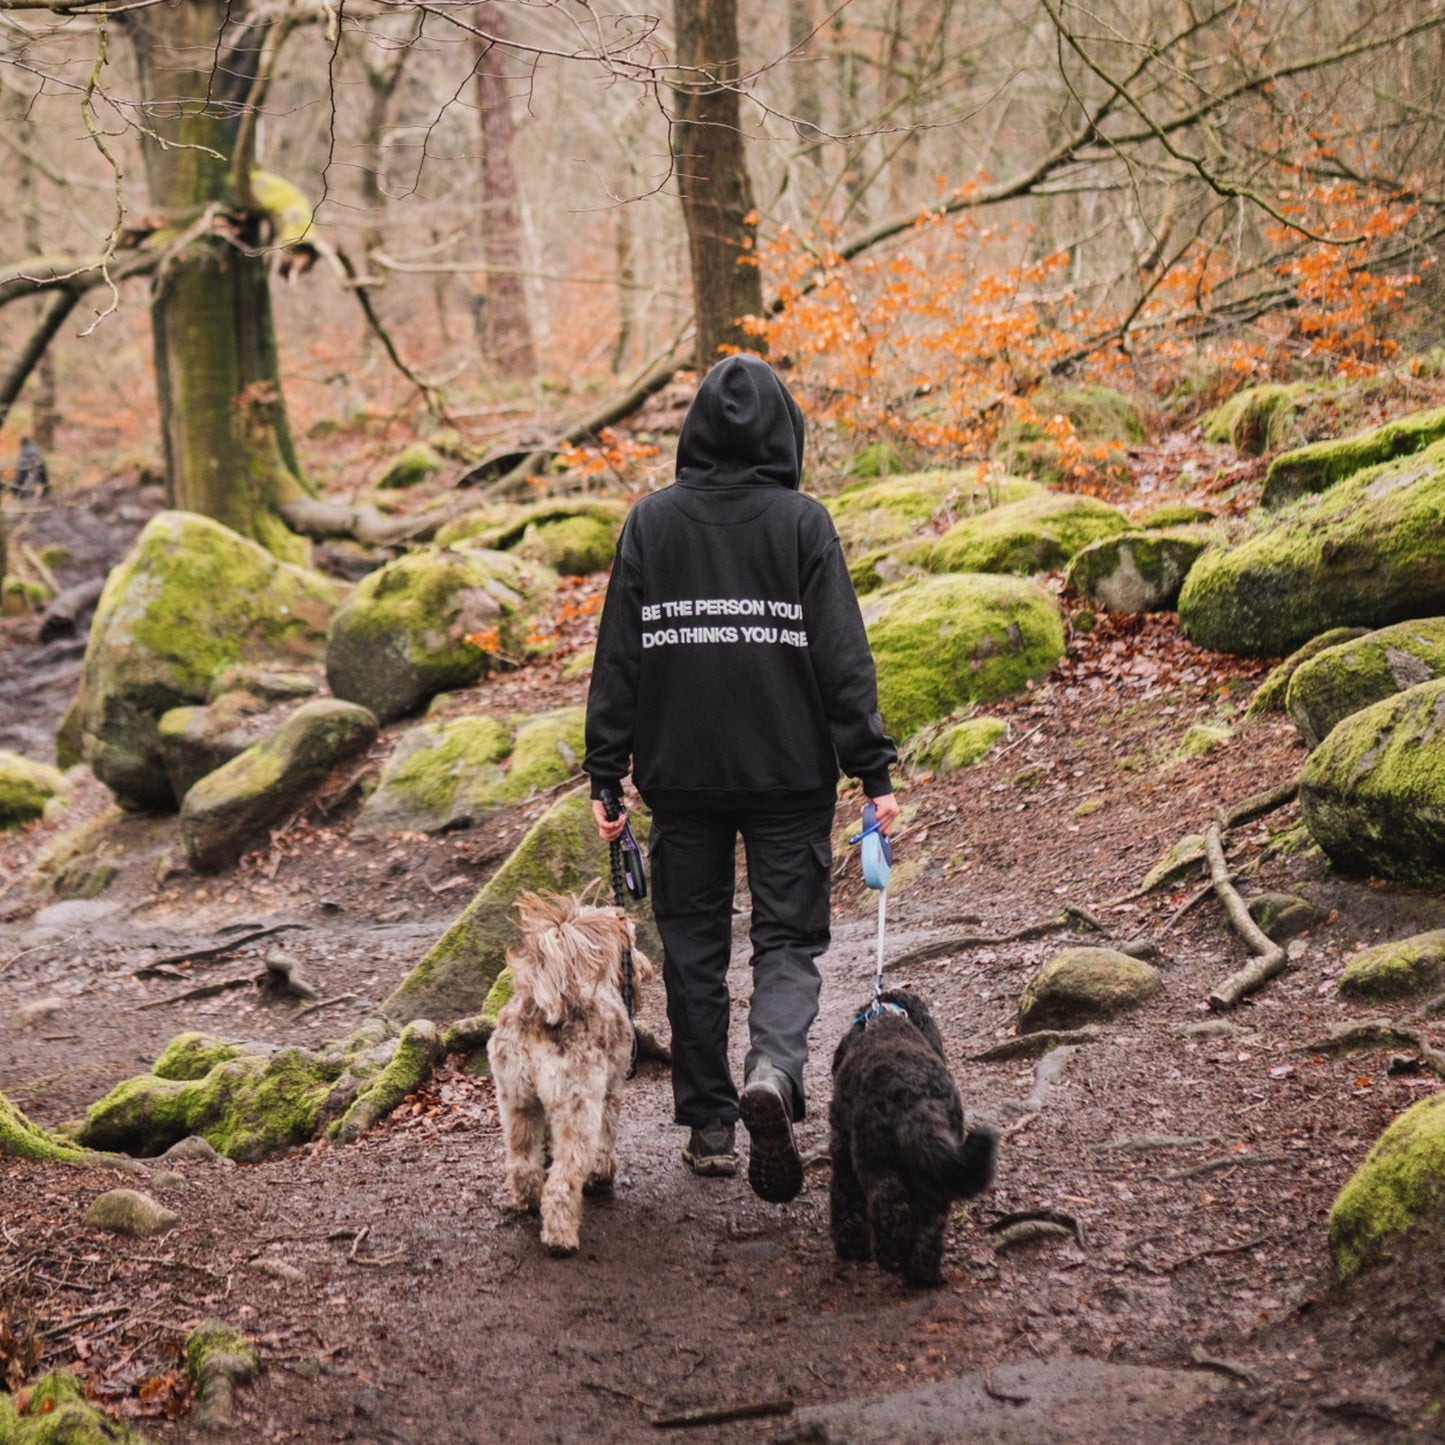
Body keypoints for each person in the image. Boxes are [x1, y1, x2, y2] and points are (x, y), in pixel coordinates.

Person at [584, 352, 898, 1204]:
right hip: (788, 773)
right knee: (788, 940)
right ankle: (773, 1066)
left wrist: (606, 774)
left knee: (691, 948)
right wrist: (872, 770)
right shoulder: (803, 523)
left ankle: (713, 1125)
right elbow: (843, 659)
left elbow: (618, 659)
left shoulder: (651, 522)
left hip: (680, 776)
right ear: (782, 431)